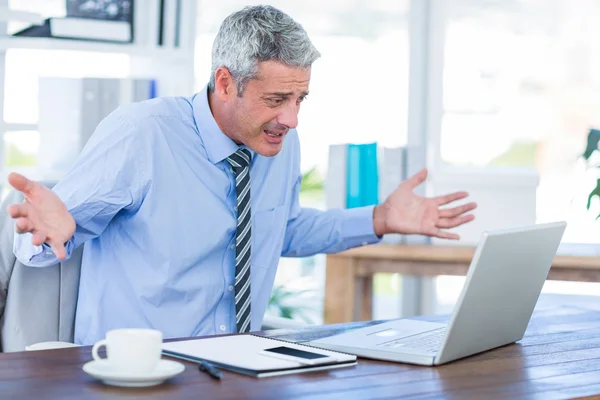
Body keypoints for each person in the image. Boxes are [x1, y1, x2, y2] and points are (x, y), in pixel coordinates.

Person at [7, 5, 476, 345]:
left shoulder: (278, 141)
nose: (292, 119)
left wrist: (379, 219)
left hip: (238, 364)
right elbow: (38, 246)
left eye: (300, 100)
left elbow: (280, 229)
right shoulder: (142, 134)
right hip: (139, 370)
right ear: (226, 82)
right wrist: (50, 232)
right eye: (276, 100)